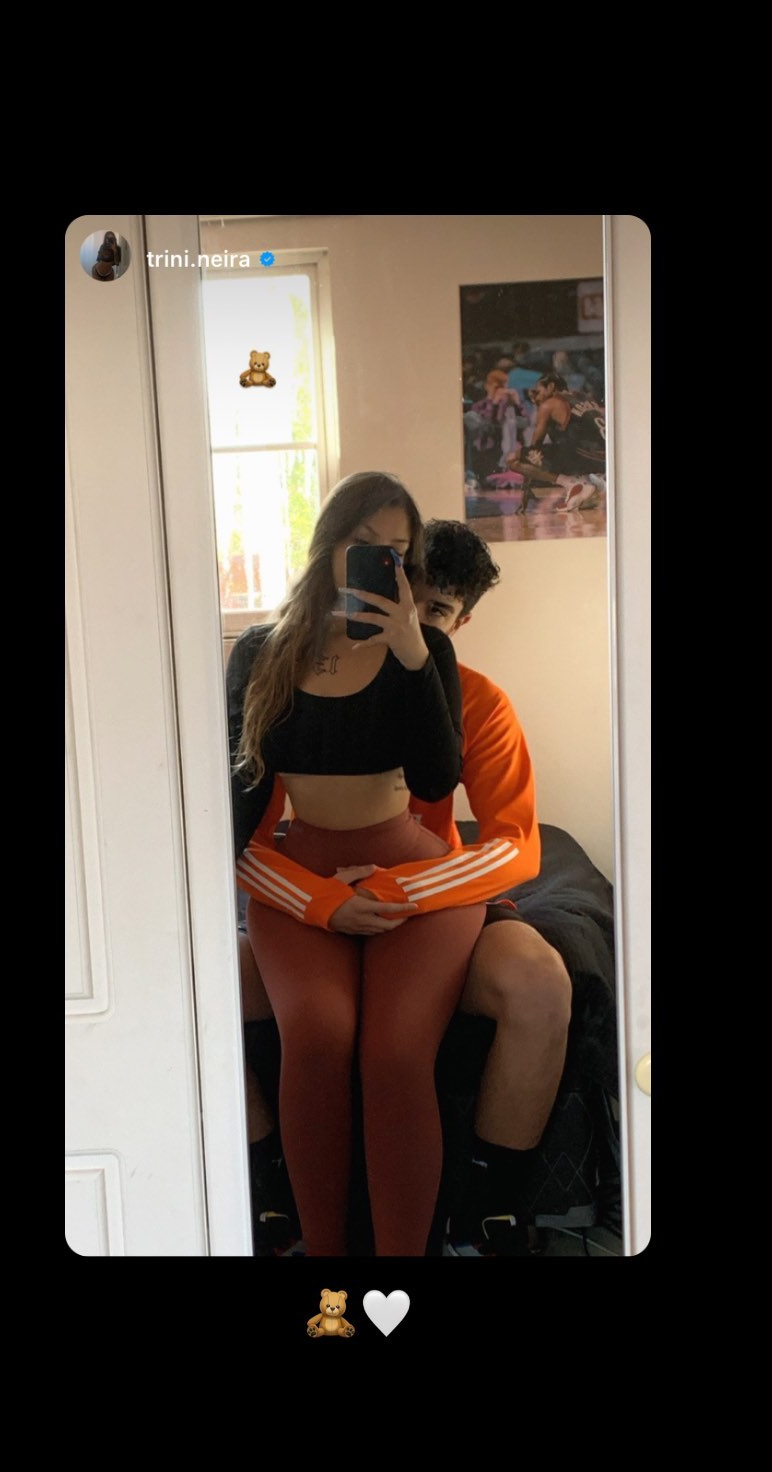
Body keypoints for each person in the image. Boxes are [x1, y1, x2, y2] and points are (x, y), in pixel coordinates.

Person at [240, 519, 571, 1257]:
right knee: (194, 989)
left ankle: (488, 1210)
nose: (409, 624)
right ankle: (268, 1185)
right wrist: (318, 898)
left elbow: (517, 844)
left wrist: (403, 888)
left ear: (461, 623)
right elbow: (240, 835)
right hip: (316, 897)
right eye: (399, 598)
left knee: (540, 983)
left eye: (436, 612)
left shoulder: (478, 701)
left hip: (434, 898)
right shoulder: (305, 683)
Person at [227, 472, 489, 1258]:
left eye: (397, 552)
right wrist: (318, 901)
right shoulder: (261, 652)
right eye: (364, 544)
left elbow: (438, 783)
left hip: (412, 876)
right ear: (329, 544)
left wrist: (412, 654)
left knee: (397, 1054)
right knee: (316, 1035)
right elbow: (235, 815)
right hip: (306, 877)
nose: (381, 562)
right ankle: (327, 1261)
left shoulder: (428, 650)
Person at [507, 371, 606, 512]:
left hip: (584, 456)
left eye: (538, 392)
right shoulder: (585, 397)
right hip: (604, 460)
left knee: (513, 458)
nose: (537, 397)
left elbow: (534, 448)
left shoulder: (550, 404)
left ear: (551, 387)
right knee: (565, 443)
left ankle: (572, 483)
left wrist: (525, 489)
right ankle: (589, 483)